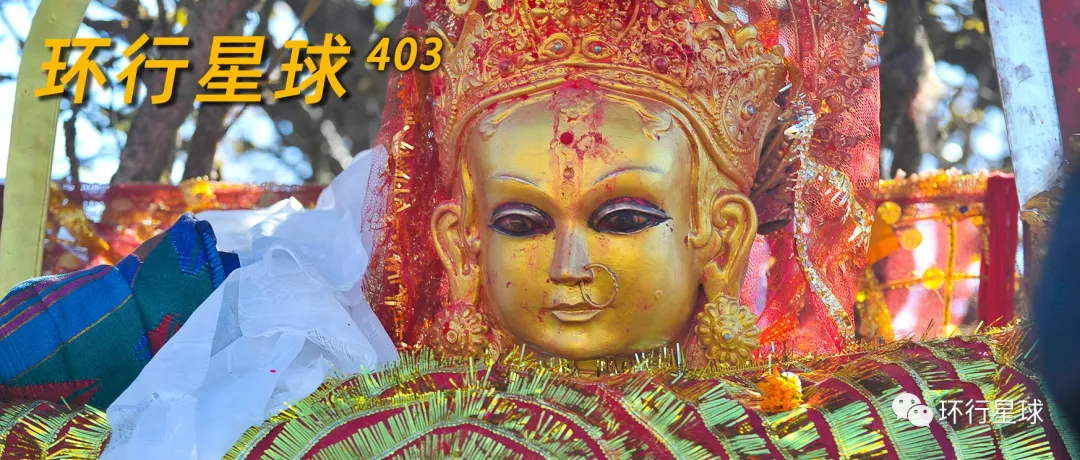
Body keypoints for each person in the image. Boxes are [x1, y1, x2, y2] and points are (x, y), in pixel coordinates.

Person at [1, 0, 1076, 457]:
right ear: (461, 241)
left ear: (720, 233)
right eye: (522, 221)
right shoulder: (333, 401)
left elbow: (1011, 410)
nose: (569, 266)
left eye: (622, 215)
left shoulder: (808, 421)